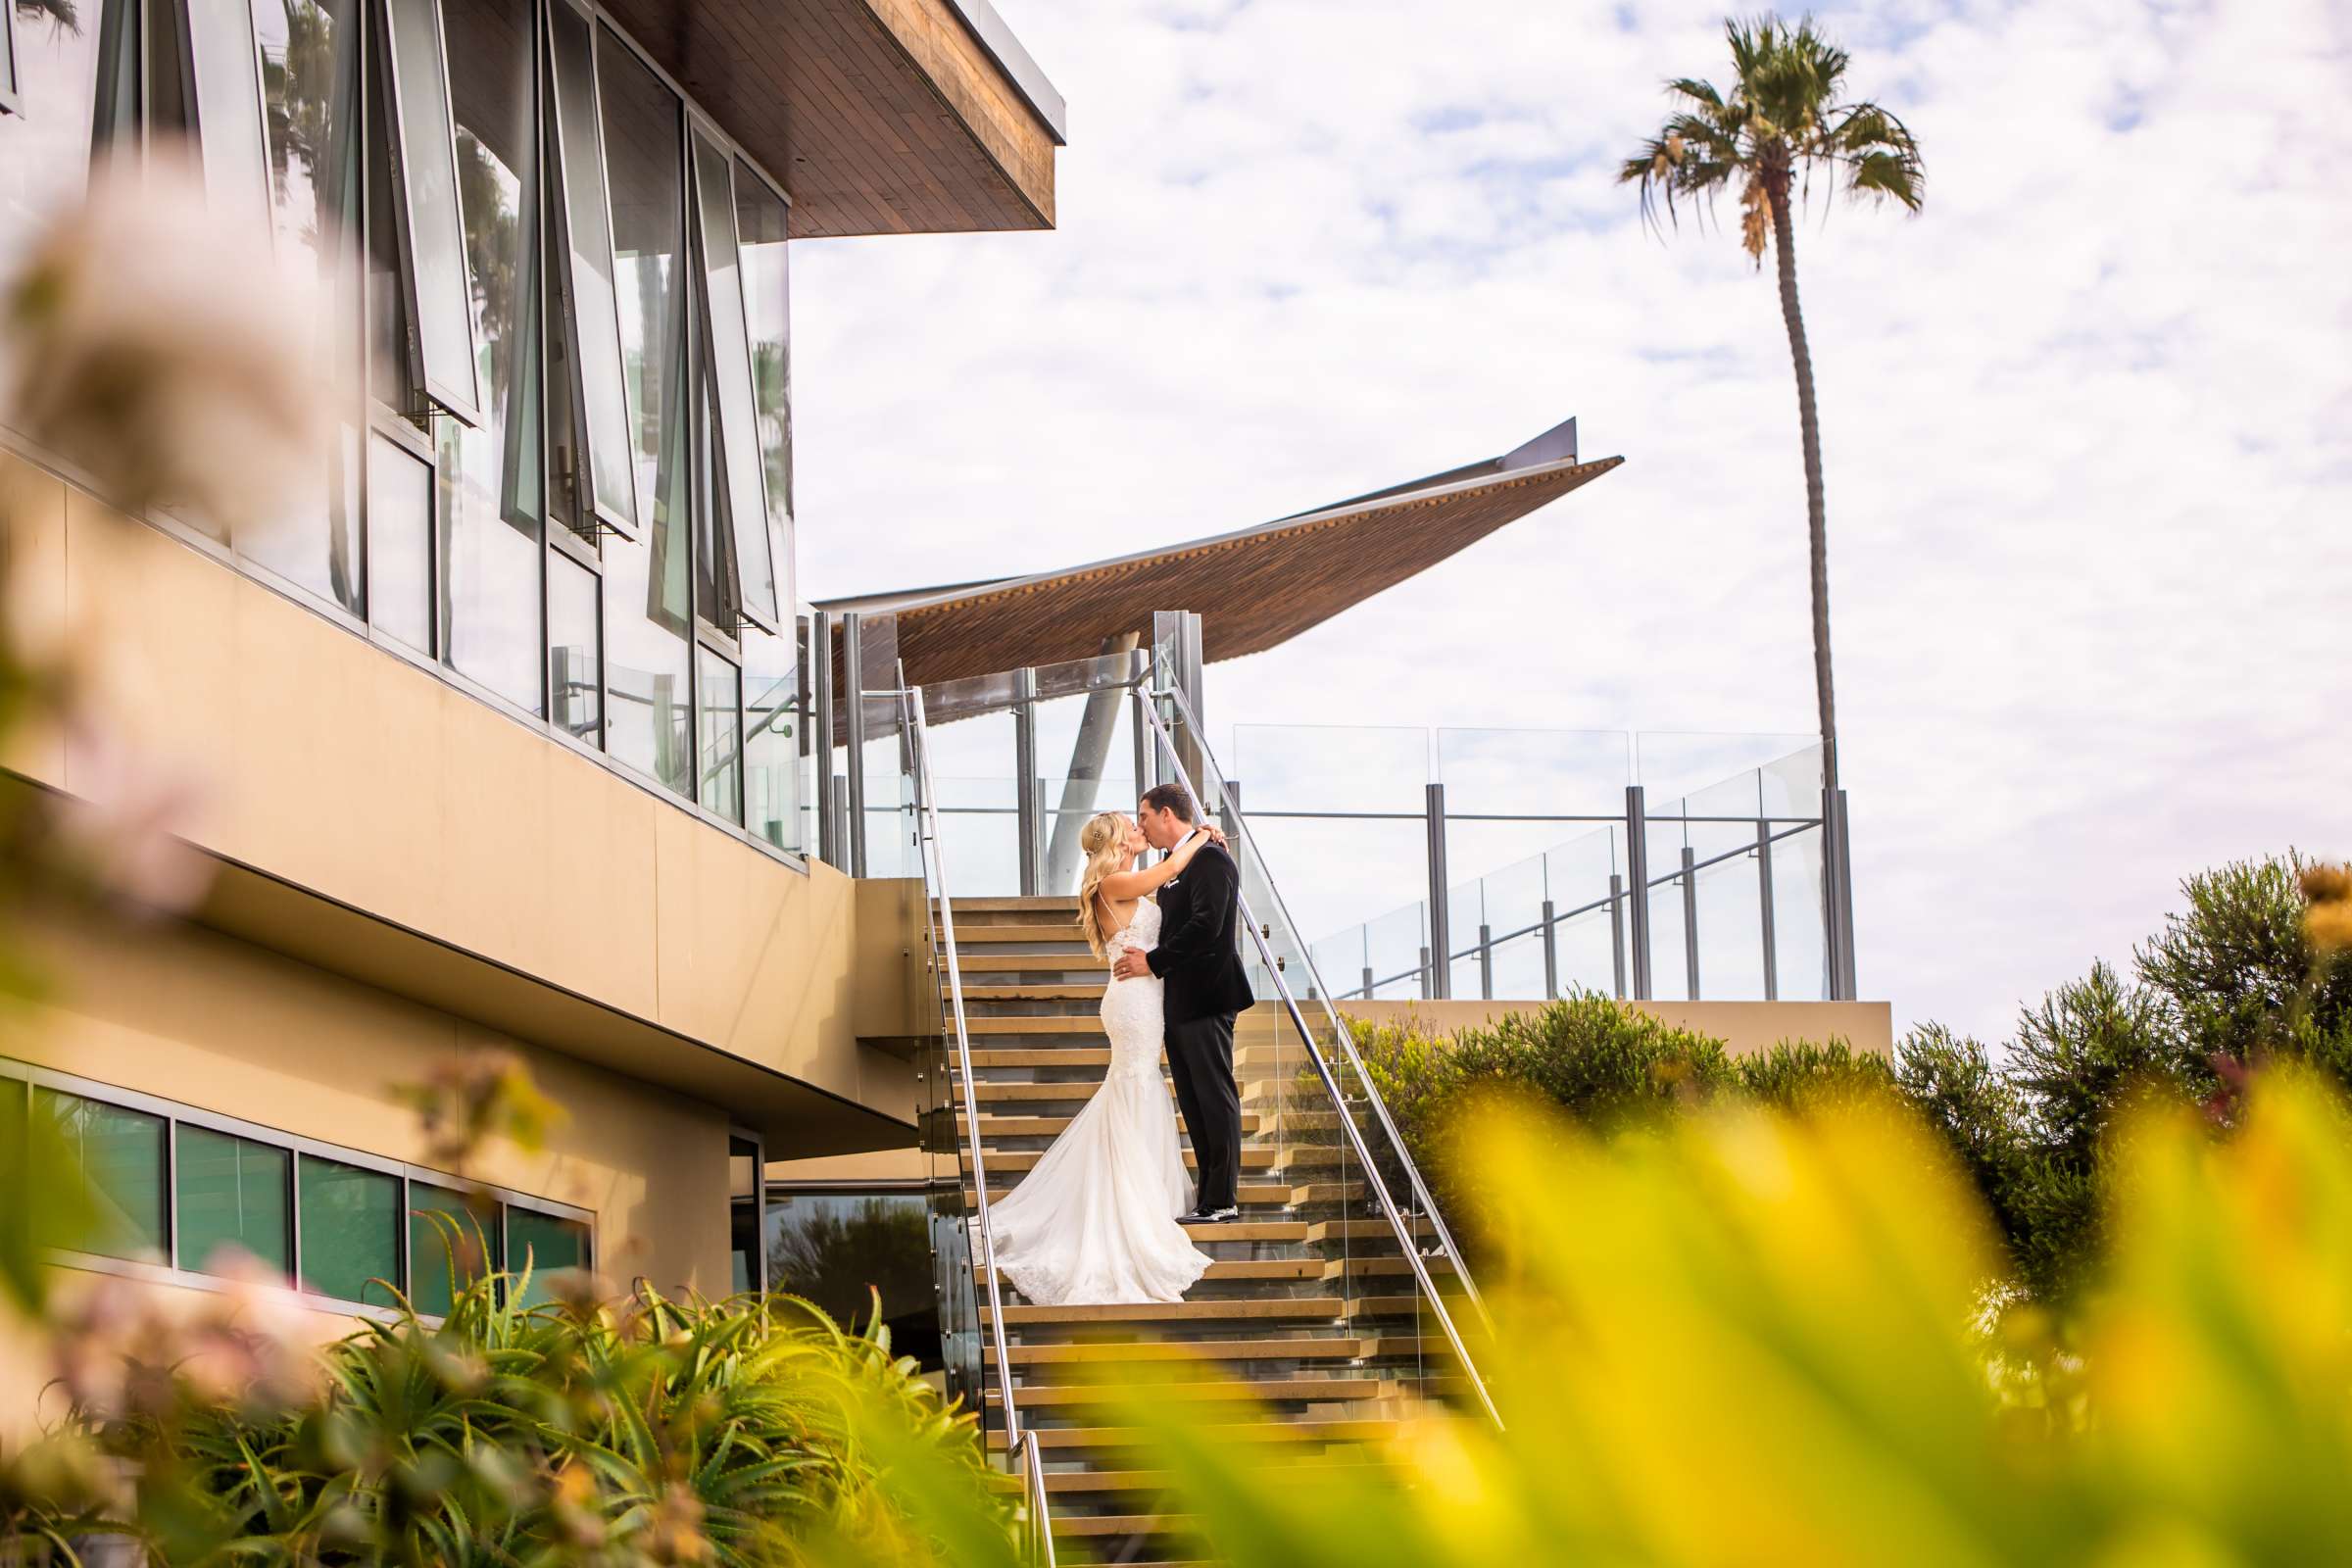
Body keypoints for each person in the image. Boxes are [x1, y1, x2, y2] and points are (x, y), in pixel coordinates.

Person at [982, 810, 1222, 1304]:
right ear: (1117, 840)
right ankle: (1132, 1202)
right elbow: (1169, 870)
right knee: (1136, 1083)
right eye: (1130, 826)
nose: (1140, 830)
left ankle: (1143, 1193)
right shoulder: (1116, 882)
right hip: (1134, 1003)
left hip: (1141, 996)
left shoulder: (1122, 884)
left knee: (1138, 1084)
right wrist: (1201, 834)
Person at [1112, 782, 1253, 1222]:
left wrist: (1153, 962)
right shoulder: (1179, 864)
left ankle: (1223, 1199)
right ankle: (1208, 1196)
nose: (1143, 826)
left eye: (1146, 816)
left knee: (1214, 1096)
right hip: (1177, 1003)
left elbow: (1207, 926)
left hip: (1208, 996)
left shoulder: (1212, 858)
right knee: (1193, 1102)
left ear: (1167, 814)